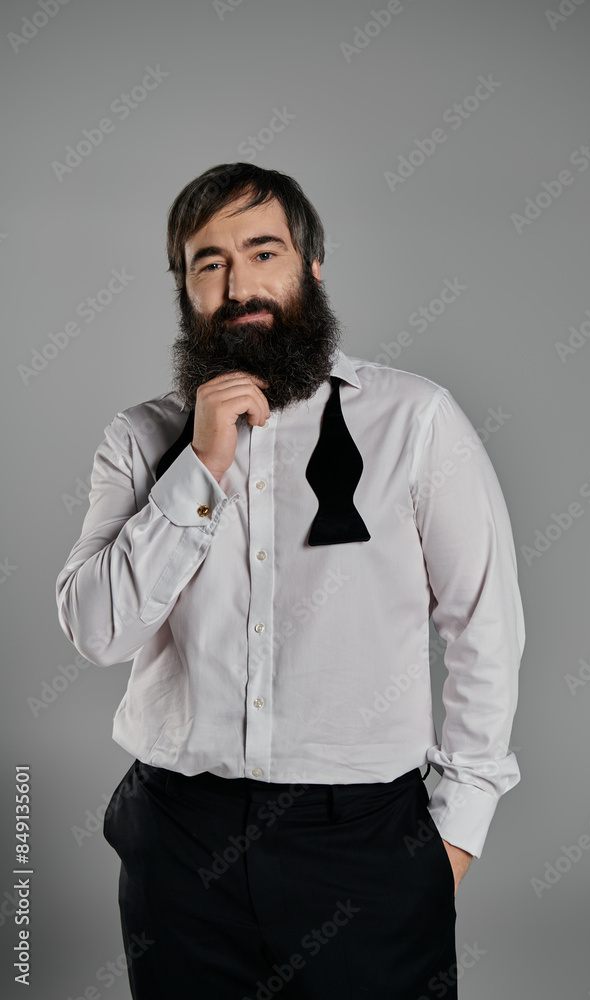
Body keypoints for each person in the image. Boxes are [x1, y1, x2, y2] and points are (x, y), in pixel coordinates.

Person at [55, 162, 525, 999]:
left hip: (364, 846)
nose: (239, 285)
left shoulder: (414, 422)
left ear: (311, 264)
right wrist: (198, 466)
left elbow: (484, 626)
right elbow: (97, 632)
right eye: (209, 263)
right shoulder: (139, 440)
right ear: (185, 289)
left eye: (262, 252)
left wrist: (453, 834)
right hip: (179, 841)